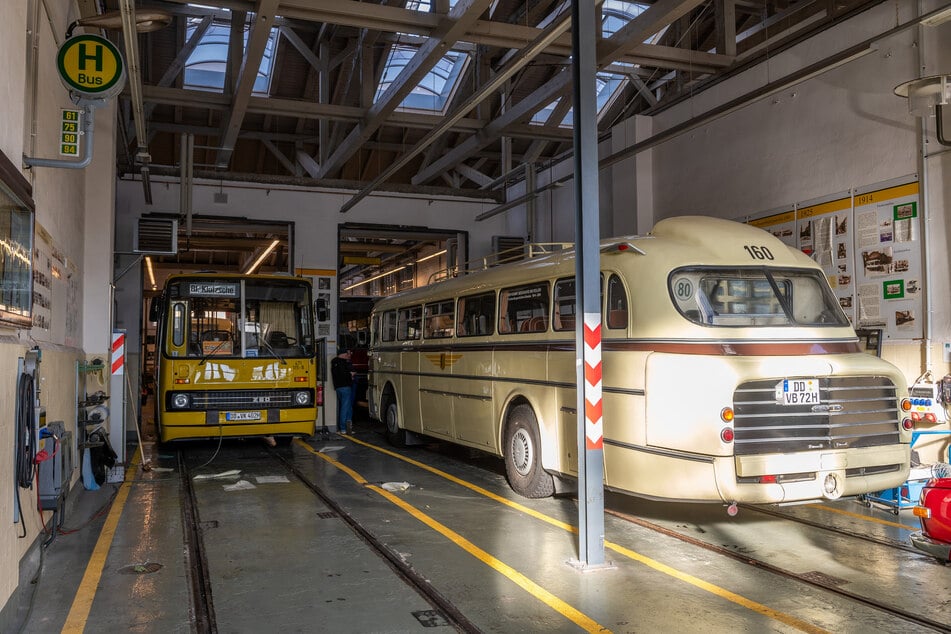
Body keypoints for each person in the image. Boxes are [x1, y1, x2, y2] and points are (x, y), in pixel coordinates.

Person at [331, 348, 355, 434]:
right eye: (346, 354)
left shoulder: (334, 362)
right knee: (345, 408)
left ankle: (348, 428)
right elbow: (345, 374)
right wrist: (351, 375)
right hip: (346, 387)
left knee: (347, 407)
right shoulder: (344, 363)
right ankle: (343, 428)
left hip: (338, 387)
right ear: (343, 354)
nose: (347, 355)